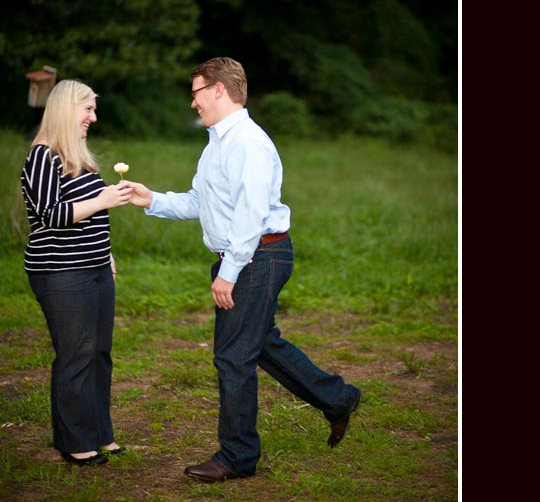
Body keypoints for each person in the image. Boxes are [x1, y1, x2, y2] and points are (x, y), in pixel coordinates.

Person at [123, 57, 362, 483]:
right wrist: (152, 199)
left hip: (258, 257)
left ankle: (237, 456)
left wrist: (229, 271)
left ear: (218, 89)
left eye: (195, 91)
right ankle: (338, 398)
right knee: (260, 343)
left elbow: (250, 217)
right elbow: (201, 202)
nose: (192, 102)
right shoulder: (217, 143)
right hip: (250, 256)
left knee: (233, 358)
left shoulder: (248, 143)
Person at [20, 79, 133, 465]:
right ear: (68, 109)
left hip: (96, 266)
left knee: (99, 353)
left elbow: (93, 218)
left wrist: (108, 253)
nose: (93, 117)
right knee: (76, 355)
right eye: (88, 109)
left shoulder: (79, 157)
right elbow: (50, 215)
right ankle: (73, 441)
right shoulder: (42, 155)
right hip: (61, 271)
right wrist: (103, 198)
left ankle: (101, 432)